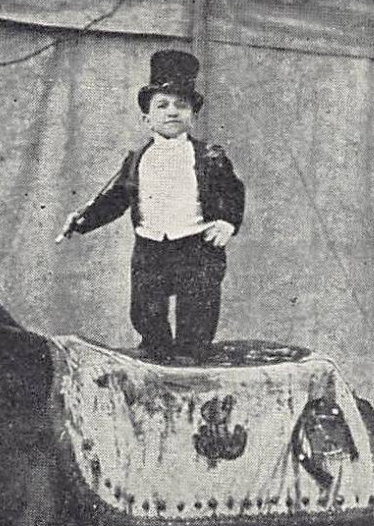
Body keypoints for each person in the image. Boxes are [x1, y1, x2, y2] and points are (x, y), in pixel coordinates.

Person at [59, 49, 246, 363]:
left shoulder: (210, 157)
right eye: (162, 105)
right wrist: (82, 221)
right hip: (150, 246)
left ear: (193, 115)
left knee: (197, 310)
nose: (172, 111)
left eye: (181, 105)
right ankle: (155, 352)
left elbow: (234, 191)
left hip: (196, 245)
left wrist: (227, 223)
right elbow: (116, 199)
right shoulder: (136, 160)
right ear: (147, 118)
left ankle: (190, 356)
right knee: (147, 309)